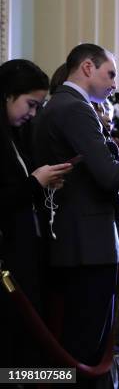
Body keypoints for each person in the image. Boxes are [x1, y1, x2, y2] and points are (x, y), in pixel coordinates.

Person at [32, 43, 119, 386]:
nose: (113, 84)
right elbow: (108, 174)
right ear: (88, 68)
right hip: (88, 246)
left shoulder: (62, 105)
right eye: (110, 74)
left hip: (77, 242)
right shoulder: (75, 109)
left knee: (79, 344)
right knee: (84, 349)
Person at [0, 59, 72, 368]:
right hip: (7, 258)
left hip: (25, 254)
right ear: (7, 95)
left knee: (27, 343)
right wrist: (34, 182)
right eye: (30, 104)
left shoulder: (17, 134)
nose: (32, 113)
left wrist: (43, 183)